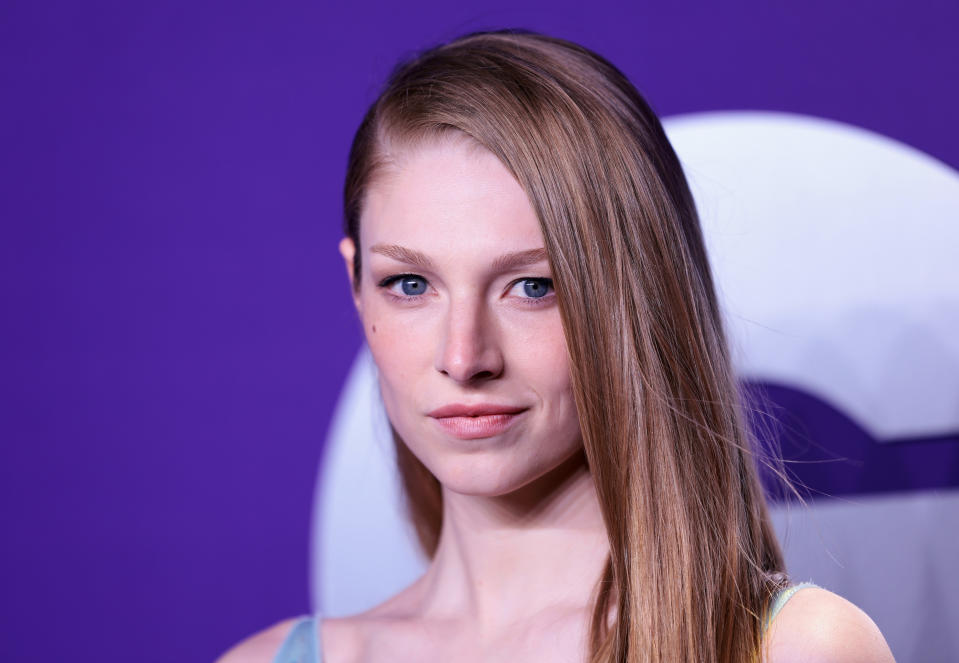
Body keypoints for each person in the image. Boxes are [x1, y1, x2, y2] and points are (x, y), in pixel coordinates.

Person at [219, 29, 894, 663]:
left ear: (635, 296)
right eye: (410, 282)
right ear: (356, 284)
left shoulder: (795, 647)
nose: (464, 356)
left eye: (533, 286)